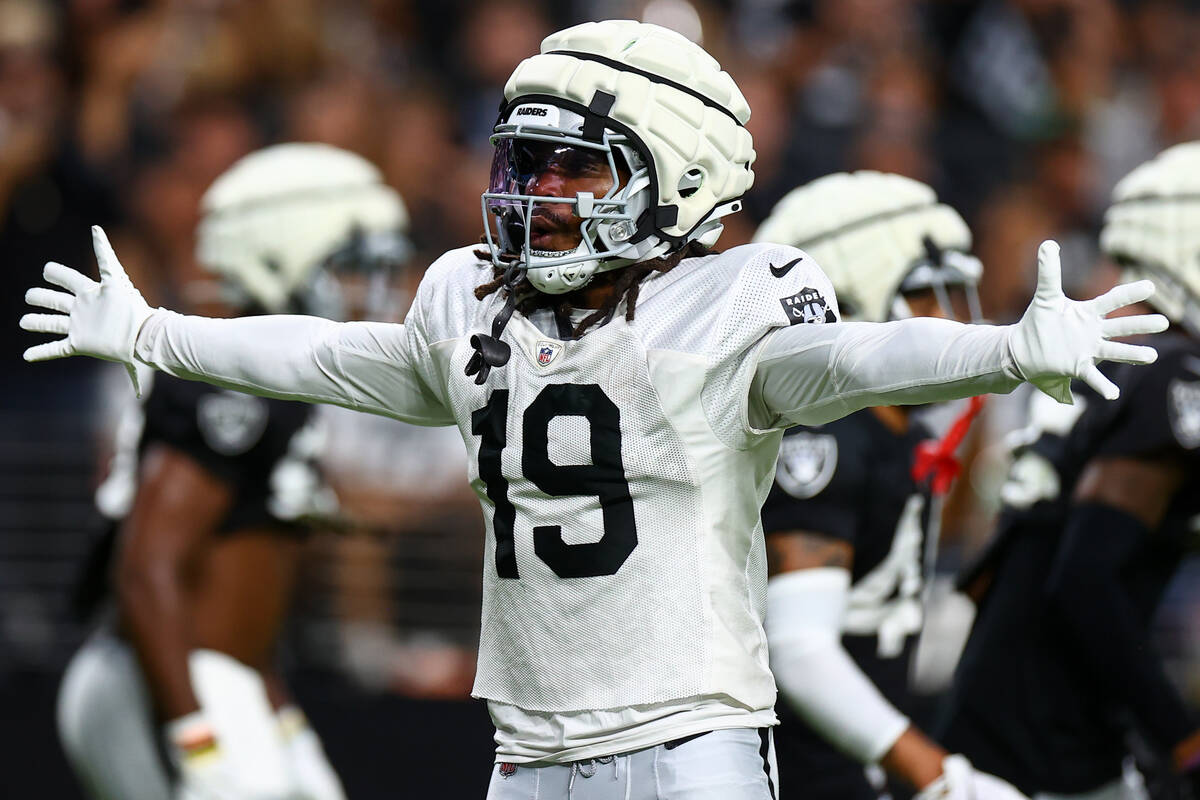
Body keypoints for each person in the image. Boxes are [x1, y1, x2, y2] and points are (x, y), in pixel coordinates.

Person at [22, 20, 1166, 800]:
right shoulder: (466, 300)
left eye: (576, 170)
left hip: (685, 741)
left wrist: (1010, 350)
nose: (538, 197)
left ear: (676, 175)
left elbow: (862, 354)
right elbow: (325, 350)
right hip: (525, 747)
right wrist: (153, 332)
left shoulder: (730, 305)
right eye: (527, 166)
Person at [54, 142, 410, 800]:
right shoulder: (227, 384)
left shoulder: (278, 383)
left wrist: (284, 726)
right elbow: (147, 571)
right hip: (162, 676)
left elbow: (240, 591)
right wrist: (198, 738)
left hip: (221, 676)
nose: (369, 290)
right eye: (349, 266)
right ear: (280, 257)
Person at [935, 141, 1200, 800]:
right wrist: (1180, 735)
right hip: (1048, 750)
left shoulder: (1134, 358)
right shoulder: (1172, 373)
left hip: (1019, 720)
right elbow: (1084, 579)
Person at [754, 171, 1022, 800]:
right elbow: (797, 646)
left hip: (854, 762)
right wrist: (935, 772)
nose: (950, 321)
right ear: (858, 297)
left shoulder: (894, 430)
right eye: (928, 297)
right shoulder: (824, 433)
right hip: (792, 772)